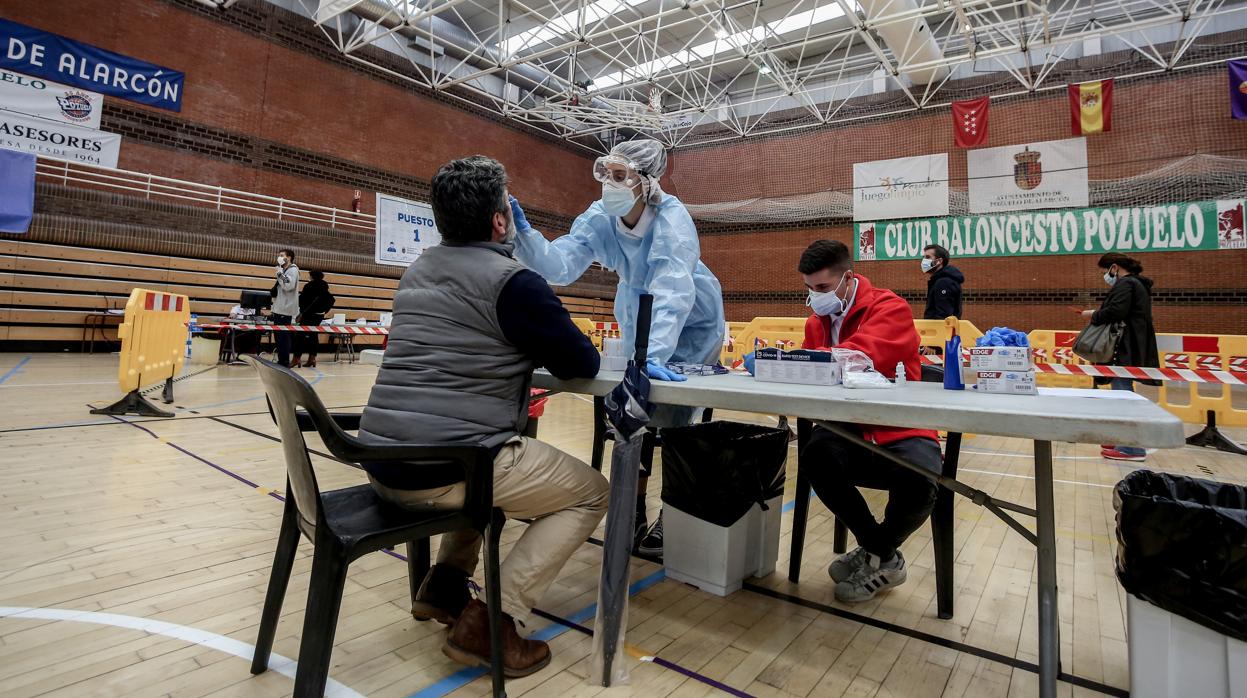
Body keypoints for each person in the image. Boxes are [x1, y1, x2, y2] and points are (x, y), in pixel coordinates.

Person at [359, 155, 608, 677]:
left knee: (493, 474)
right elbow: (581, 362)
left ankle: (445, 586)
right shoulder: (515, 283)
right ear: (501, 221)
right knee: (592, 492)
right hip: (447, 470)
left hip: (381, 462)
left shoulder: (417, 271)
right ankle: (495, 619)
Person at [509, 138, 725, 557]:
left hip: (691, 323)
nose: (609, 182)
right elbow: (561, 267)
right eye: (604, 172)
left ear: (646, 181)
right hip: (638, 313)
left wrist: (652, 357)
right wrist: (526, 236)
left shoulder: (673, 221)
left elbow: (672, 294)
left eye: (620, 175)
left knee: (677, 424)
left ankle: (672, 515)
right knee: (634, 419)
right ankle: (631, 511)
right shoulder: (599, 217)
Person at [797, 240, 943, 603]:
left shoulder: (889, 307)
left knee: (922, 479)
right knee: (816, 455)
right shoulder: (816, 322)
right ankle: (884, 555)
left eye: (822, 288)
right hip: (846, 424)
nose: (815, 297)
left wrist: (806, 359)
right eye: (808, 288)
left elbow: (861, 354)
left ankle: (874, 552)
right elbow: (811, 368)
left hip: (902, 424)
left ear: (848, 278)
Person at [1080, 252, 1159, 462]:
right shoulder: (1138, 285)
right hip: (1132, 345)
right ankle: (1123, 440)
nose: (1105, 276)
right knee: (1122, 391)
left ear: (1114, 267)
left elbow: (1116, 311)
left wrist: (1093, 315)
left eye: (1105, 271)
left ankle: (1132, 448)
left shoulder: (1126, 285)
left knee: (1123, 395)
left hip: (1123, 348)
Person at [292, 270, 334, 368]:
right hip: (319, 315)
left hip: (308, 315)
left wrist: (301, 311)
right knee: (313, 336)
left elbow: (302, 300)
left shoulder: (309, 286)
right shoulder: (324, 287)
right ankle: (312, 358)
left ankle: (296, 358)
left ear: (312, 276)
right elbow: (331, 300)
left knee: (300, 336)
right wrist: (324, 311)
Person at [271, 249, 299, 367]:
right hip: (279, 307)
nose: (280, 257)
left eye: (282, 255)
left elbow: (288, 286)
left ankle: (284, 361)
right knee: (278, 336)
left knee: (283, 336)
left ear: (289, 257)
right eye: (279, 255)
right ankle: (281, 359)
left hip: (285, 308)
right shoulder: (285, 270)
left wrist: (279, 274)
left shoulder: (293, 270)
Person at [921, 244, 964, 320]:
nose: (923, 261)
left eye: (928, 257)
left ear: (939, 261)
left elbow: (944, 316)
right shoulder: (939, 281)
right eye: (923, 257)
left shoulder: (944, 283)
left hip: (940, 330)